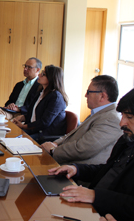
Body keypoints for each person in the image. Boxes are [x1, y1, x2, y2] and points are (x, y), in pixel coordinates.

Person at [49, 88, 134, 220]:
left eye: (129, 117)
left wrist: (95, 195)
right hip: (93, 205)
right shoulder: (126, 140)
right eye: (122, 115)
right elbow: (107, 170)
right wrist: (76, 169)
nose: (122, 123)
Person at [41, 75, 121, 165]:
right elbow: (70, 135)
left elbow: (83, 149)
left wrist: (53, 150)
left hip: (78, 170)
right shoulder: (99, 113)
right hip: (67, 160)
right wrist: (55, 143)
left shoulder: (111, 119)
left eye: (89, 92)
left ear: (102, 96)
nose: (85, 95)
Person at [13, 65, 68, 142]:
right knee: (11, 133)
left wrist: (24, 126)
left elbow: (45, 122)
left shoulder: (56, 97)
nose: (39, 75)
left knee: (15, 140)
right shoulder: (41, 92)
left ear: (52, 78)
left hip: (46, 135)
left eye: (43, 74)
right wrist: (23, 117)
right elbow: (36, 113)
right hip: (36, 130)